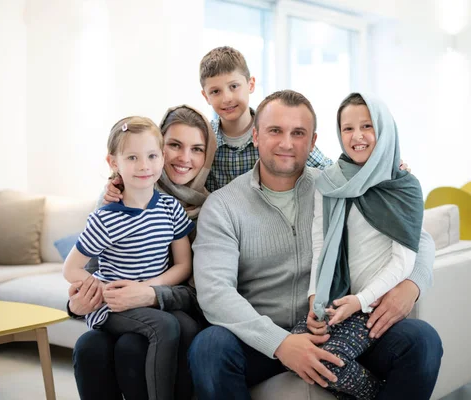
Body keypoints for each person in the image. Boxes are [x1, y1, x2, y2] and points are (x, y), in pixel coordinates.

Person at [189, 90, 442, 400]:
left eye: (298, 133)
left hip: (337, 327)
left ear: (313, 142)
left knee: (421, 339)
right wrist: (281, 343)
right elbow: (215, 293)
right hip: (260, 338)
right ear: (255, 135)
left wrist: (412, 286)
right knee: (209, 347)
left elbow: (419, 238)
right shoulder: (223, 205)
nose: (286, 143)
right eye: (275, 131)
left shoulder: (338, 187)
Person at [69, 106, 216, 400]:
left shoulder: (205, 208)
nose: (184, 158)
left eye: (197, 149)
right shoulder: (110, 205)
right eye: (175, 145)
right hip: (119, 304)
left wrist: (148, 291)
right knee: (90, 347)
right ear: (115, 163)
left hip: (175, 303)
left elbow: (190, 275)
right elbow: (83, 269)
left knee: (170, 331)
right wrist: (81, 301)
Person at [291, 93, 425, 400]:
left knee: (328, 364)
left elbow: (404, 261)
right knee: (295, 353)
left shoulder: (404, 185)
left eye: (367, 126)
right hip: (337, 300)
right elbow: (320, 244)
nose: (357, 136)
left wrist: (361, 300)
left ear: (384, 130)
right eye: (347, 128)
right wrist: (316, 297)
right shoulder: (331, 181)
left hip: (373, 304)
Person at [199, 46, 333, 192]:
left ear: (250, 85)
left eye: (234, 86)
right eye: (215, 91)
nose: (227, 98)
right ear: (206, 96)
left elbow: (327, 171)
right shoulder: (204, 138)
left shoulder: (276, 130)